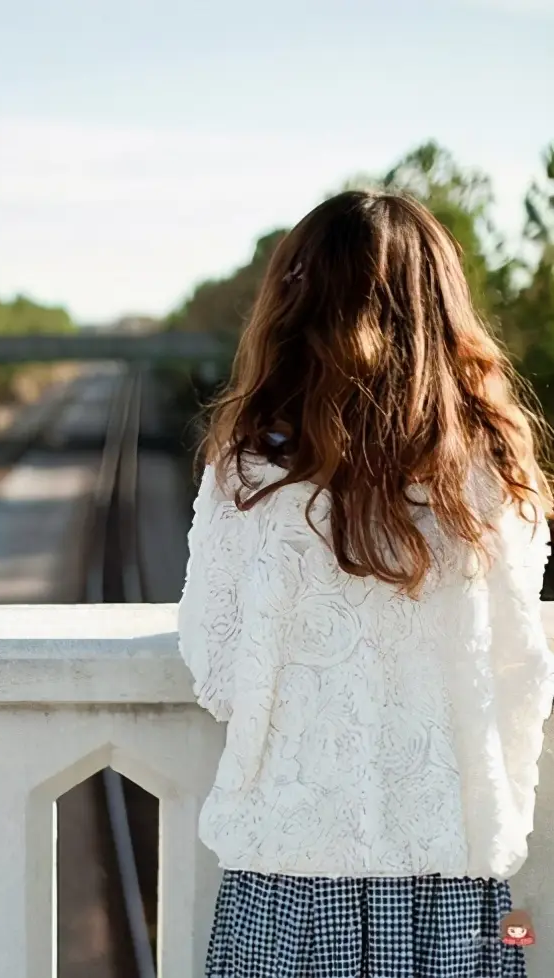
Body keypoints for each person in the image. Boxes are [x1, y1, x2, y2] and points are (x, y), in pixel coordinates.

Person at [177, 189, 554, 978]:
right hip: (453, 879)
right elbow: (522, 672)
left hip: (288, 874)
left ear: (294, 306)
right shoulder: (495, 475)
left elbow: (217, 668)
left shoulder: (251, 474)